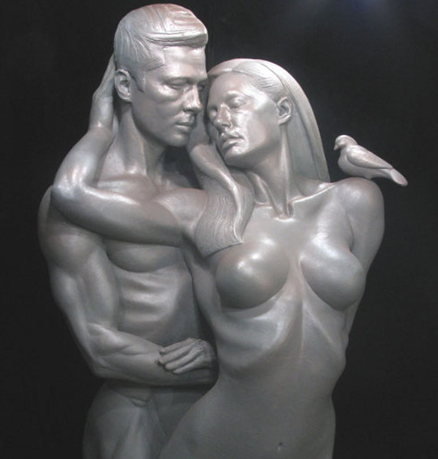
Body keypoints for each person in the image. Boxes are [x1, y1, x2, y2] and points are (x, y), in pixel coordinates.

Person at [50, 59, 385, 459]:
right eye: (211, 116)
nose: (221, 121)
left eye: (234, 104)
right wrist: (101, 128)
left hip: (312, 442)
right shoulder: (203, 212)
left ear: (282, 110)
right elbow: (71, 195)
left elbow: (338, 336)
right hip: (216, 441)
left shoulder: (355, 202)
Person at [38, 5, 217, 459]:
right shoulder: (77, 202)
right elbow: (100, 346)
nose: (194, 103)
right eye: (176, 85)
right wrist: (234, 363)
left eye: (199, 86)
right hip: (138, 417)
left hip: (217, 413)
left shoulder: (199, 184)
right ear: (124, 86)